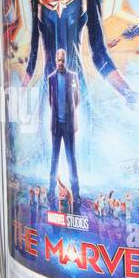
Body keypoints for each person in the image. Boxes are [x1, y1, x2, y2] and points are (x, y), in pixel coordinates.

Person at [47, 48, 81, 211]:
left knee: (71, 159)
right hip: (56, 126)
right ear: (55, 60)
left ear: (65, 60)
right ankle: (50, 191)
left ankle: (76, 193)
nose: (60, 63)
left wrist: (68, 115)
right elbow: (50, 101)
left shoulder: (73, 76)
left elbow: (77, 99)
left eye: (62, 60)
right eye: (58, 60)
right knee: (54, 159)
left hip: (68, 125)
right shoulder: (51, 78)